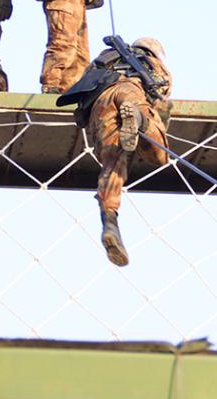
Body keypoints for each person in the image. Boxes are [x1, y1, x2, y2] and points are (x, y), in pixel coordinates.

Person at [57, 37, 172, 266]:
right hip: (131, 91)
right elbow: (162, 95)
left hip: (100, 101)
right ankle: (140, 120)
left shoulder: (104, 59)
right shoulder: (150, 63)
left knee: (113, 161)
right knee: (160, 155)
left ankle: (110, 220)